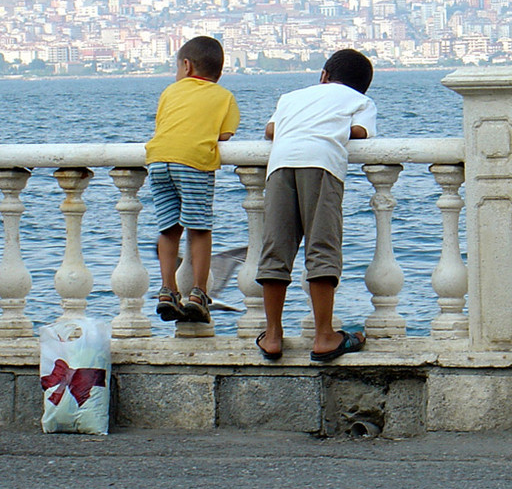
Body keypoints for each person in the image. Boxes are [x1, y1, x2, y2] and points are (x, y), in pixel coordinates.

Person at [255, 49, 377, 362]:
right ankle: (324, 336)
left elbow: (270, 131)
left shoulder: (291, 97)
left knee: (276, 247)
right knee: (322, 246)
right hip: (322, 164)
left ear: (323, 75)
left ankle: (271, 335)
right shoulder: (360, 101)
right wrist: (332, 129)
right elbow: (361, 133)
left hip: (281, 165)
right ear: (362, 86)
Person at [145, 36, 241, 325]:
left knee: (168, 228)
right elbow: (224, 135)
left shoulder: (170, 92)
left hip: (159, 160)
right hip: (193, 162)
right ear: (219, 72)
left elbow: (163, 124)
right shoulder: (223, 97)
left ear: (186, 66)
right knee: (198, 228)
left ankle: (167, 291)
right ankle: (198, 293)